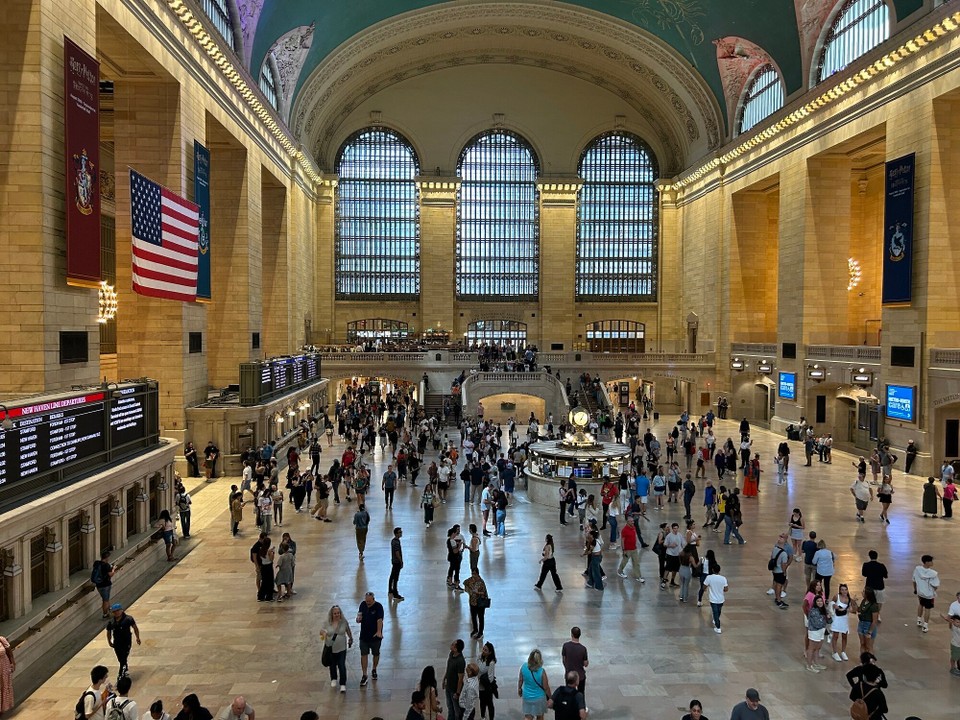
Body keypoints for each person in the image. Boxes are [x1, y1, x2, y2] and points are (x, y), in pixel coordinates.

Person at [321, 605, 353, 692]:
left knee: (341, 665)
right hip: (331, 648)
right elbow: (322, 631)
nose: (337, 615)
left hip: (342, 648)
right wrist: (324, 634)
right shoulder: (327, 623)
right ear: (331, 614)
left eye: (338, 613)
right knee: (332, 664)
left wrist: (350, 638)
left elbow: (348, 630)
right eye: (335, 613)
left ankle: (343, 683)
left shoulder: (343, 622)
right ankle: (333, 678)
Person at [105, 603, 141, 678]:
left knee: (124, 657)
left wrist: (137, 637)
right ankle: (125, 668)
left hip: (126, 641)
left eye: (118, 611)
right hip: (117, 642)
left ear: (121, 610)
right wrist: (109, 641)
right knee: (120, 658)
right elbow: (109, 632)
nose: (116, 613)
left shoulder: (128, 619)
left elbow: (135, 628)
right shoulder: (111, 622)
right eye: (114, 611)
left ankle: (121, 673)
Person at [357, 591, 384, 686]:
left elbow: (379, 620)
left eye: (369, 601)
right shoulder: (363, 605)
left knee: (376, 653)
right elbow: (359, 614)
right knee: (364, 654)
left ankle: (374, 669)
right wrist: (358, 618)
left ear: (373, 599)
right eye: (366, 601)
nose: (367, 603)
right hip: (364, 636)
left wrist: (379, 631)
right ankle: (364, 674)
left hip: (375, 637)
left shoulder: (378, 607)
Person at [518, 649, 551, 720]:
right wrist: (550, 697)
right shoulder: (542, 671)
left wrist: (519, 688)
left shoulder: (523, 667)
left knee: (528, 716)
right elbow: (546, 687)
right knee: (540, 716)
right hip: (539, 698)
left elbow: (520, 680)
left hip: (527, 696)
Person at [913, 554, 940, 633]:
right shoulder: (933, 573)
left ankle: (918, 619)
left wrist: (915, 589)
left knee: (921, 604)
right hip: (929, 594)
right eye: (931, 561)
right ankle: (925, 625)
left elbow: (914, 580)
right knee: (927, 609)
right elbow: (935, 585)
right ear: (927, 562)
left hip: (920, 592)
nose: (932, 562)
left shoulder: (917, 569)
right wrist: (933, 590)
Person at [830, 583, 856, 662]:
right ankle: (834, 652)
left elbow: (854, 610)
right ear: (840, 590)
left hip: (844, 619)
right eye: (842, 590)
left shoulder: (849, 599)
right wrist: (835, 606)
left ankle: (843, 651)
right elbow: (832, 603)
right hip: (837, 619)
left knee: (844, 636)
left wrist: (852, 606)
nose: (844, 591)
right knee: (836, 636)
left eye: (845, 589)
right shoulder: (836, 596)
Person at [561, 628, 588, 699]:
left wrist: (567, 668)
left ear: (571, 634)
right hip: (580, 675)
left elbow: (564, 659)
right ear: (580, 635)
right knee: (581, 693)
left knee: (568, 693)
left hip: (569, 674)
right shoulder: (583, 649)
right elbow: (585, 664)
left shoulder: (566, 646)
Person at [804, 595, 829, 673]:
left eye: (821, 601)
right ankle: (809, 665)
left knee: (818, 648)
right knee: (811, 648)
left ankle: (816, 663)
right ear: (815, 602)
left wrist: (828, 617)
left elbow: (830, 621)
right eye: (818, 601)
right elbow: (817, 624)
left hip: (821, 631)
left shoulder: (824, 610)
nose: (820, 602)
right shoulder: (813, 611)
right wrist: (825, 620)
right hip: (814, 631)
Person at [861, 550, 888, 619]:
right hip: (880, 586)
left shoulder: (866, 565)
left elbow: (864, 574)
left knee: (869, 601)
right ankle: (877, 614)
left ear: (869, 557)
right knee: (879, 601)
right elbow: (885, 576)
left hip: (869, 586)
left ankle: (868, 614)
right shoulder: (881, 566)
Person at [443, 639, 466, 720]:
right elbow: (448, 668)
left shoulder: (460, 661)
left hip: (454, 689)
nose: (451, 645)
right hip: (448, 686)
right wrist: (444, 678)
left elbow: (460, 679)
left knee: (456, 710)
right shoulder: (451, 654)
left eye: (453, 644)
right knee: (450, 707)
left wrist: (457, 693)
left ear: (456, 649)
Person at [463, 567, 489, 638]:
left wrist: (478, 592)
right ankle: (475, 629)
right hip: (472, 602)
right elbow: (465, 583)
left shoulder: (481, 582)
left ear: (477, 573)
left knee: (480, 618)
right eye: (472, 573)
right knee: (473, 617)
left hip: (480, 603)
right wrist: (470, 591)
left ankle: (480, 632)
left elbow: (484, 593)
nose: (473, 575)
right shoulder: (470, 580)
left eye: (474, 574)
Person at [703, 564, 728, 633]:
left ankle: (718, 627)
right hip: (721, 599)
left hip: (713, 599)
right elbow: (726, 589)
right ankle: (715, 620)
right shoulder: (723, 578)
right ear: (719, 570)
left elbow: (704, 586)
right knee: (718, 611)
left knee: (715, 612)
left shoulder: (709, 577)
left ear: (712, 570)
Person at [769, 533, 792, 609]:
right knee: (779, 585)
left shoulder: (775, 549)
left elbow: (772, 557)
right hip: (780, 571)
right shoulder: (784, 554)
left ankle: (777, 597)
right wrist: (784, 572)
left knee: (775, 584)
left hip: (775, 570)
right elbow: (783, 564)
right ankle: (779, 600)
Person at [617, 519, 644, 583]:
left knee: (636, 563)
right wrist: (623, 550)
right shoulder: (624, 530)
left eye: (633, 521)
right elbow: (622, 540)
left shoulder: (633, 527)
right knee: (625, 561)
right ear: (627, 522)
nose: (633, 522)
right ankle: (620, 571)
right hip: (627, 549)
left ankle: (638, 576)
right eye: (631, 521)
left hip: (634, 548)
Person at [92, 549, 117, 619]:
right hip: (105, 584)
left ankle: (109, 611)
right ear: (107, 558)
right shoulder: (106, 565)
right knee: (105, 600)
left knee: (106, 599)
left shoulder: (97, 563)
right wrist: (113, 569)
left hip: (99, 585)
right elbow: (110, 574)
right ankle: (105, 614)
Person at [856, 588, 881, 655]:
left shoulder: (874, 605)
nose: (862, 592)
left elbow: (874, 621)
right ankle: (863, 661)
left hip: (868, 625)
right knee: (862, 643)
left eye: (864, 592)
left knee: (869, 646)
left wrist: (869, 632)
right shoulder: (864, 601)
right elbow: (859, 609)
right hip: (861, 623)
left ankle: (871, 662)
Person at [478, 642, 498, 720]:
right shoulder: (480, 657)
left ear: (490, 652)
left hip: (487, 687)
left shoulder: (491, 662)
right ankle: (483, 716)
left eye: (486, 650)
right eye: (483, 649)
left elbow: (490, 677)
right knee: (482, 702)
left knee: (489, 704)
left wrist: (482, 678)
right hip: (480, 685)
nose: (483, 651)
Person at [938, 612, 960, 676]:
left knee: (958, 657)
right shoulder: (954, 627)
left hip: (959, 645)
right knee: (954, 657)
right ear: (953, 622)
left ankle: (956, 668)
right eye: (957, 622)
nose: (958, 624)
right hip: (955, 645)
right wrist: (949, 621)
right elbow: (949, 623)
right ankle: (952, 668)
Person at [389, 527, 405, 601]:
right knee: (395, 578)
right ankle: (395, 593)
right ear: (396, 533)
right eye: (400, 532)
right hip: (397, 562)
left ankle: (390, 589)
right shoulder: (396, 542)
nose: (401, 533)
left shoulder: (393, 541)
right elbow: (397, 552)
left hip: (394, 561)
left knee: (392, 576)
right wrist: (401, 561)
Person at [0, 635, 12, 716]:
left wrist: (12, 663)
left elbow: (9, 652)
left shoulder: (1, 639)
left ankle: (2, 708)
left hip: (3, 667)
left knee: (3, 686)